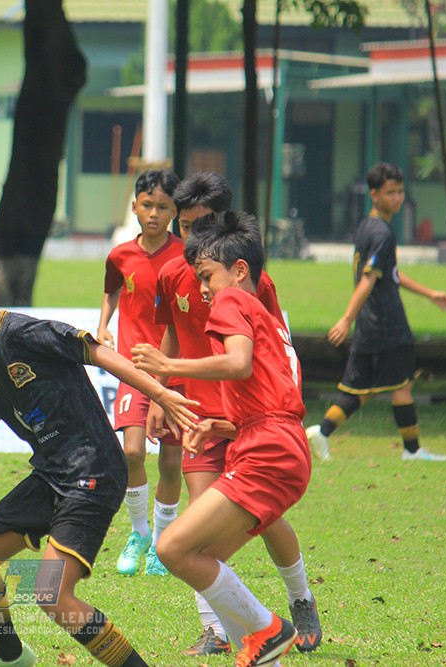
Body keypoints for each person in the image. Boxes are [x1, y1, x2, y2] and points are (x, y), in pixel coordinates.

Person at [0, 250, 200, 667]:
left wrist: (159, 391)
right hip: (50, 474)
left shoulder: (27, 332)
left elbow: (98, 353)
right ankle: (11, 657)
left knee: (51, 595)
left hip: (94, 469)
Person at [142, 172, 321, 656]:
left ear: (239, 267)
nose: (202, 288)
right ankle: (251, 647)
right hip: (259, 434)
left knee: (174, 549)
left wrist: (166, 366)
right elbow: (268, 366)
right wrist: (219, 419)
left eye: (207, 275)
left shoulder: (231, 297)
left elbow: (240, 363)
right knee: (201, 554)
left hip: (267, 445)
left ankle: (273, 629)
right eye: (186, 226)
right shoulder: (230, 293)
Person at [306, 162, 446, 462]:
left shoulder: (367, 226)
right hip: (387, 321)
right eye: (391, 192)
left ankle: (321, 432)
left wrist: (429, 294)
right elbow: (369, 278)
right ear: (374, 194)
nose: (397, 198)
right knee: (402, 384)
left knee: (363, 387)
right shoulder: (383, 233)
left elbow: (393, 274)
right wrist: (347, 317)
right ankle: (412, 450)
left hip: (369, 321)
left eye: (400, 192)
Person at [97, 168, 185, 577]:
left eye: (162, 206)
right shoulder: (120, 254)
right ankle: (139, 533)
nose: (153, 213)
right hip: (134, 369)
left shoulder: (185, 256)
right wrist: (103, 325)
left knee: (170, 461)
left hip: (175, 368)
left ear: (174, 212)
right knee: (132, 451)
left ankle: (163, 545)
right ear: (134, 206)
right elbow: (111, 288)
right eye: (146, 204)